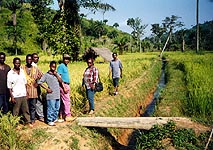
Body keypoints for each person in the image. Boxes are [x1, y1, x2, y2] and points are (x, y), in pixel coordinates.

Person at [38, 61, 65, 126]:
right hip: (51, 95)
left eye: (55, 67)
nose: (53, 68)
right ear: (50, 66)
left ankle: (54, 118)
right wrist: (47, 89)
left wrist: (56, 74)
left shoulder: (56, 74)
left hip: (57, 94)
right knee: (51, 108)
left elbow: (61, 81)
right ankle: (49, 120)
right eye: (52, 66)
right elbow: (40, 82)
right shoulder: (46, 75)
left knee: (57, 108)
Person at [7, 57, 32, 127]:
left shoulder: (22, 71)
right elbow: (9, 87)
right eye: (16, 63)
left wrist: (27, 92)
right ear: (13, 63)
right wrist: (12, 96)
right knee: (16, 111)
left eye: (19, 63)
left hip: (23, 93)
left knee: (25, 110)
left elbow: (25, 83)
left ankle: (28, 122)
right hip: (16, 94)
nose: (17, 64)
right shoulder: (10, 73)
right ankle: (16, 124)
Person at [22, 54, 42, 124]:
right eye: (28, 59)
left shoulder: (36, 69)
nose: (29, 61)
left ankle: (32, 120)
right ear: (26, 60)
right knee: (25, 107)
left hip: (33, 90)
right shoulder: (22, 68)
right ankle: (27, 120)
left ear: (32, 60)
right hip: (25, 91)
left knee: (33, 106)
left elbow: (42, 76)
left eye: (30, 59)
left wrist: (38, 83)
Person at [57, 54, 75, 121]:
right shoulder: (61, 66)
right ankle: (68, 115)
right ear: (63, 59)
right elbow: (59, 77)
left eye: (68, 59)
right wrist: (63, 86)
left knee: (63, 100)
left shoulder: (65, 66)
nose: (66, 60)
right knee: (67, 100)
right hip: (63, 85)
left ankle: (62, 115)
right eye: (65, 59)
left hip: (66, 84)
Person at [32, 53, 44, 122]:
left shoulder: (34, 65)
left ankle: (36, 115)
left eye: (37, 57)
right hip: (35, 86)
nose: (36, 58)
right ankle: (40, 116)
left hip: (35, 85)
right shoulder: (34, 66)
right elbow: (40, 75)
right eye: (35, 57)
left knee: (35, 102)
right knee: (38, 101)